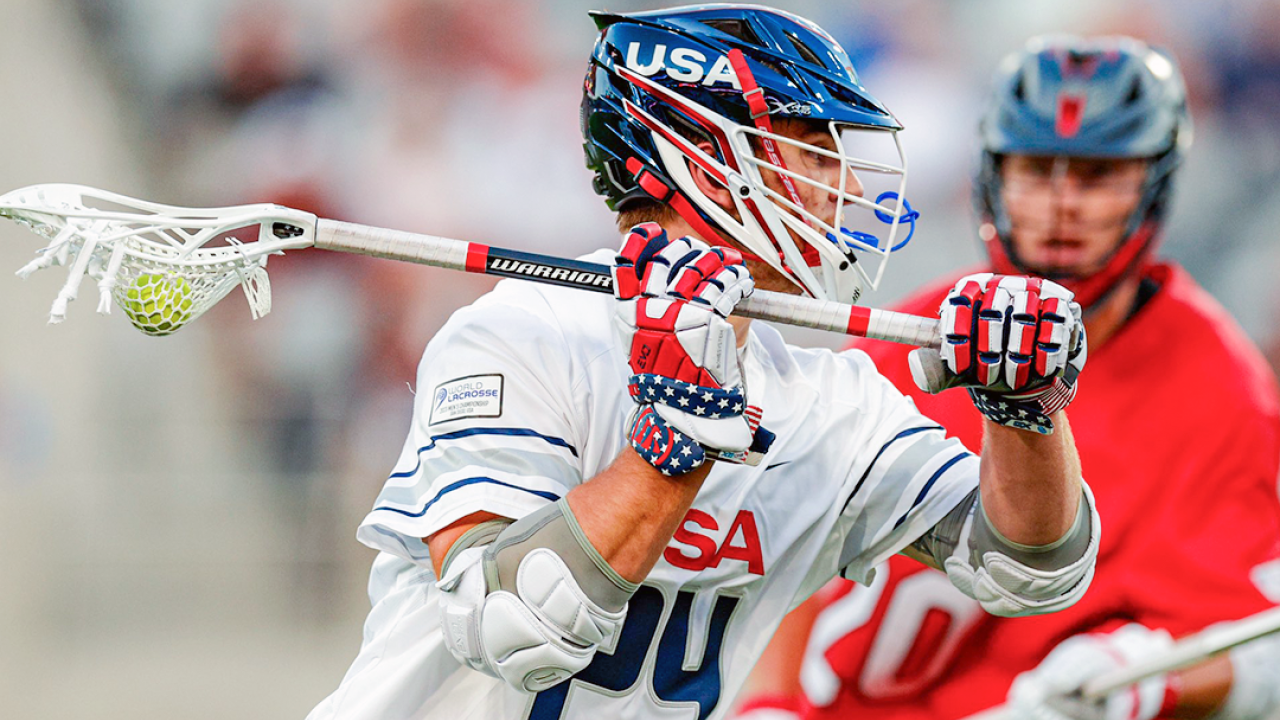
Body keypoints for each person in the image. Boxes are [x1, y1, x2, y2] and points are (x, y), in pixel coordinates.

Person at [306, 8, 1103, 720]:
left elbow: (1027, 566)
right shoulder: (519, 337)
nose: (847, 185)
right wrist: (670, 443)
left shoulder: (829, 401)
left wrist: (1026, 411)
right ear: (706, 157)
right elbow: (511, 624)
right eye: (815, 150)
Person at [738, 35, 1280, 720]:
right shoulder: (910, 336)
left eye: (1096, 174)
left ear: (1155, 184)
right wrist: (768, 703)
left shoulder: (1220, 388)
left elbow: (1252, 653)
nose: (1060, 204)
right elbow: (792, 557)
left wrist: (1143, 679)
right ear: (992, 174)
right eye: (1034, 169)